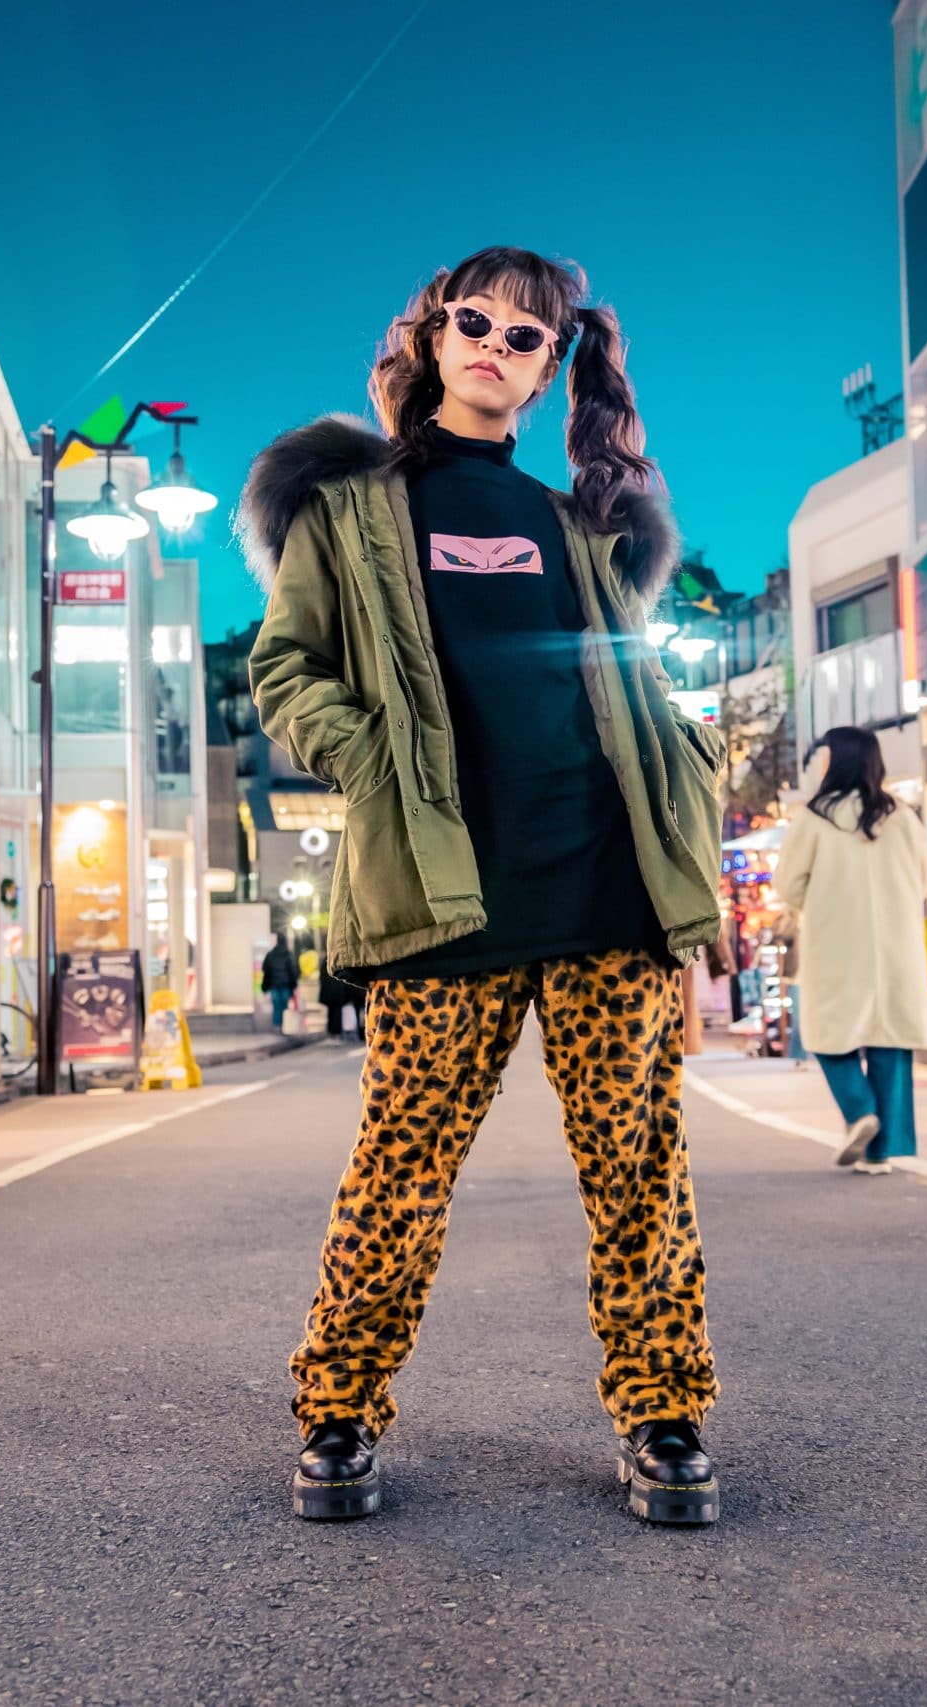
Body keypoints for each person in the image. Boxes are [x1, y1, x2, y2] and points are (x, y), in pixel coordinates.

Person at [243, 246, 727, 1526]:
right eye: (475, 322)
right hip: (438, 898)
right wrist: (363, 754)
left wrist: (683, 875)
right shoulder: (350, 510)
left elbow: (625, 696)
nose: (494, 349)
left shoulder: (575, 527)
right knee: (400, 1170)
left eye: (527, 338)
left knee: (638, 1166)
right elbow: (285, 668)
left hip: (605, 893)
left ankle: (663, 1414)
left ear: (550, 367)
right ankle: (339, 1411)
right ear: (433, 332)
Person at [775, 727, 927, 1173]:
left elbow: (788, 885)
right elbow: (924, 880)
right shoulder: (902, 816)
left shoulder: (813, 818)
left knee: (826, 1033)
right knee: (890, 1037)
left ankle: (859, 1109)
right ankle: (880, 1150)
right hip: (896, 945)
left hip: (835, 941)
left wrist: (815, 896)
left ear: (834, 762)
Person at [259, 933, 298, 1033]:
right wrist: (294, 985)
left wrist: (265, 985)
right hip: (285, 985)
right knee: (284, 1006)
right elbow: (293, 970)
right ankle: (284, 1026)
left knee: (276, 1005)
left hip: (274, 985)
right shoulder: (288, 954)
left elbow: (265, 969)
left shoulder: (270, 954)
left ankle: (277, 1026)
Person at [317, 967, 364, 1041]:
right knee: (340, 1011)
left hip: (335, 991)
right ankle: (341, 1032)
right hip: (340, 990)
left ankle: (334, 1032)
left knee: (334, 1011)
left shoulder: (327, 961)